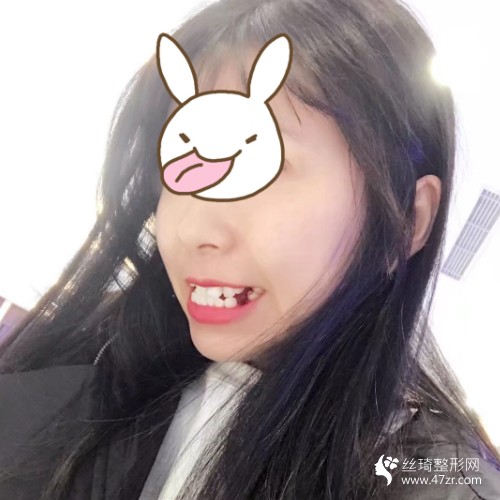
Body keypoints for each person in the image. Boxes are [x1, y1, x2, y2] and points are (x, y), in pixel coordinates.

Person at [0, 0, 499, 498]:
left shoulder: (433, 482)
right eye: (182, 167)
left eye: (261, 171)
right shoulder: (90, 370)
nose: (194, 230)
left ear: (405, 223)